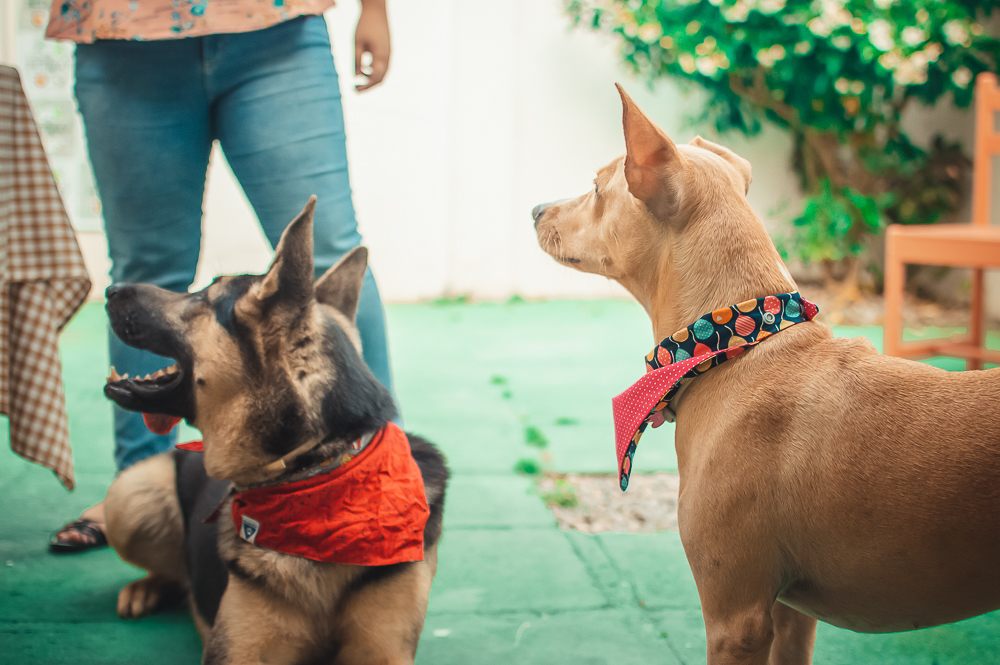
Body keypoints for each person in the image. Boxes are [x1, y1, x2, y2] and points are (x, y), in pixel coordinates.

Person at [46, 0, 395, 551]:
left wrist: (374, 7)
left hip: (276, 30)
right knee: (147, 269)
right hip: (124, 37)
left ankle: (382, 473)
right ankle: (139, 490)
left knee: (330, 254)